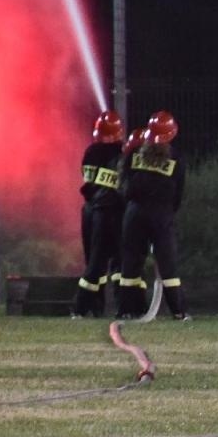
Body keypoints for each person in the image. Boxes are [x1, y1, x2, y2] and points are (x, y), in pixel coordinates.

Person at [114, 110, 190, 320]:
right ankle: (178, 311)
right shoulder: (176, 158)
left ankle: (126, 310)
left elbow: (123, 181)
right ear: (171, 134)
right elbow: (179, 193)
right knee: (168, 262)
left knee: (130, 262)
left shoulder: (135, 152)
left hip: (134, 212)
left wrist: (130, 205)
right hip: (161, 214)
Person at [71, 110, 127, 318]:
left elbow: (87, 184)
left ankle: (92, 307)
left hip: (91, 211)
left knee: (94, 261)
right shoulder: (124, 153)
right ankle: (124, 308)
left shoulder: (91, 152)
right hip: (115, 213)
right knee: (119, 261)